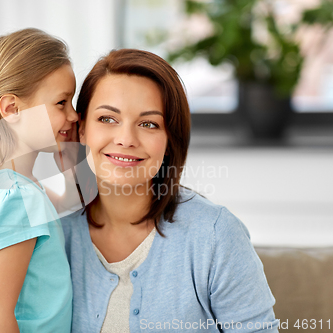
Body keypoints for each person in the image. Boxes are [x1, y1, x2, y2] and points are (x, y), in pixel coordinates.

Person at [61, 49, 280, 333]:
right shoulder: (52, 230)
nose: (126, 139)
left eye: (149, 124)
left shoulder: (215, 235)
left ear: (169, 142)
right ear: (81, 130)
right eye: (107, 119)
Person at [0, 28, 79, 333]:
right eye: (62, 103)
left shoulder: (2, 185)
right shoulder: (18, 198)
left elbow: (67, 203)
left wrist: (71, 164)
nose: (75, 115)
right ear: (12, 108)